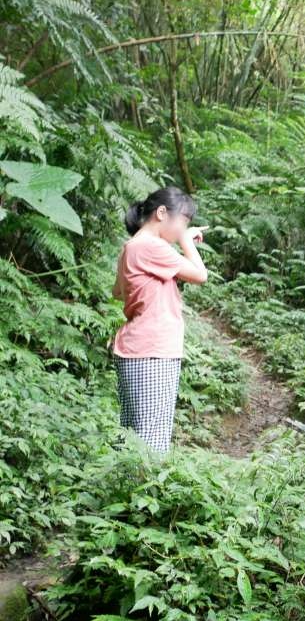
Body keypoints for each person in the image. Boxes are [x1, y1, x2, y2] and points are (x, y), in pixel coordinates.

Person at [110, 186, 209, 454]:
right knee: (152, 441)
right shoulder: (151, 246)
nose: (183, 228)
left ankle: (123, 489)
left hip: (137, 347)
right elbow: (201, 275)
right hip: (153, 350)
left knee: (132, 434)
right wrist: (186, 241)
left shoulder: (131, 247)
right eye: (184, 221)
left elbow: (118, 291)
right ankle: (144, 494)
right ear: (162, 213)